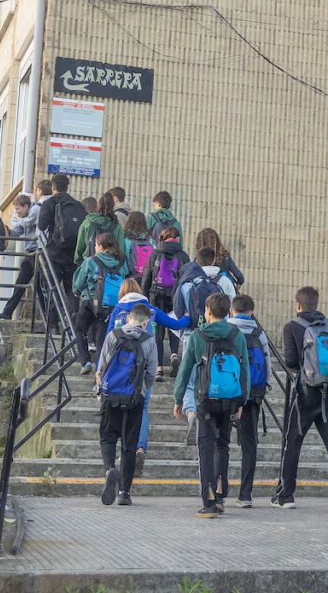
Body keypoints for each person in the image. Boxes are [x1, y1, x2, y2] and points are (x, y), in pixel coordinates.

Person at [271, 286, 328, 512]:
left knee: (292, 442)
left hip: (305, 393)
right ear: (316, 304)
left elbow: (290, 362)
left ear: (298, 305)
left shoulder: (292, 327)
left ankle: (286, 495)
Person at [172, 292, 249, 518]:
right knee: (222, 445)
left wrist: (178, 398)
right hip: (230, 398)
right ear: (227, 312)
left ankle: (209, 501)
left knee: (205, 448)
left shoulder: (198, 335)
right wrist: (242, 400)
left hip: (205, 400)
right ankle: (221, 495)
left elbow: (185, 369)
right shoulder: (237, 335)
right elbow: (244, 369)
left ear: (207, 311)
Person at [95, 303, 157, 506]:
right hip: (134, 399)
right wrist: (141, 388)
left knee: (107, 437)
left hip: (111, 396)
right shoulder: (149, 340)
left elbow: (102, 367)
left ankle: (109, 469)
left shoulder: (113, 335)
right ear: (146, 322)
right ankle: (124, 492)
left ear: (129, 317)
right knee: (130, 445)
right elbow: (151, 373)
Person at [227, 294, 271, 508]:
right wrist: (263, 387)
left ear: (232, 310)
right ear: (251, 312)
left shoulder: (226, 329)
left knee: (220, 442)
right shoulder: (258, 333)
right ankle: (245, 495)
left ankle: (218, 490)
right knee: (249, 445)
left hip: (226, 392)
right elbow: (267, 364)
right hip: (252, 394)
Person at [72, 233, 129, 374]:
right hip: (111, 306)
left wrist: (79, 293)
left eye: (96, 245)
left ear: (101, 247)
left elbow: (78, 284)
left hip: (90, 303)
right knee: (101, 340)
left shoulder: (91, 261)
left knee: (79, 328)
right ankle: (100, 374)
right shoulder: (121, 262)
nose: (95, 248)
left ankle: (86, 362)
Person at [37, 174, 85, 325]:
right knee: (71, 289)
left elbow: (41, 226)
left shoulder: (49, 203)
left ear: (53, 187)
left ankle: (53, 324)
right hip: (73, 253)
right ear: (67, 186)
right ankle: (72, 323)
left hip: (54, 252)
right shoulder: (78, 205)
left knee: (52, 287)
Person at [143, 226, 190, 374]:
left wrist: (144, 298)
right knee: (174, 325)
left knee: (158, 330)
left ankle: (159, 367)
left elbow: (147, 278)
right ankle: (174, 354)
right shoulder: (183, 255)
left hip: (156, 295)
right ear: (177, 239)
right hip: (175, 296)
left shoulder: (155, 253)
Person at [0, 189, 42, 320]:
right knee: (20, 284)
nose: (17, 212)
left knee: (39, 287)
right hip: (30, 253)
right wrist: (5, 232)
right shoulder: (25, 217)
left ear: (26, 206)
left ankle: (48, 318)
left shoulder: (35, 210)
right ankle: (7, 312)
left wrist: (17, 222)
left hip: (38, 253)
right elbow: (16, 232)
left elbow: (27, 223)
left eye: (18, 209)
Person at [75, 192, 125, 265]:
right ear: (113, 206)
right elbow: (120, 249)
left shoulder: (87, 222)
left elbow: (79, 247)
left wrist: (79, 262)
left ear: (98, 206)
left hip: (89, 263)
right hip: (111, 265)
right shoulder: (117, 226)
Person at [123, 211, 154, 278]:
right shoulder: (150, 238)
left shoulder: (127, 239)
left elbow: (124, 258)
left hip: (131, 276)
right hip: (147, 275)